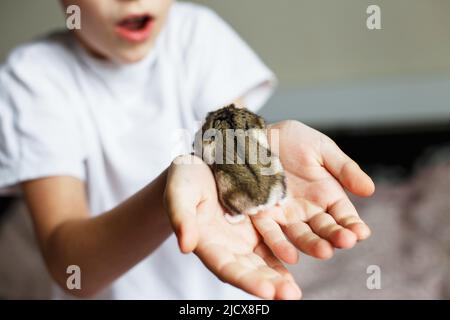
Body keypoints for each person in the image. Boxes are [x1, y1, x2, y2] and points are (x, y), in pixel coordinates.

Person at [0, 0, 375, 299]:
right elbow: (74, 271)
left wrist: (264, 152)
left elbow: (235, 142)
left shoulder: (197, 34)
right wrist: (170, 192)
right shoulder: (34, 77)